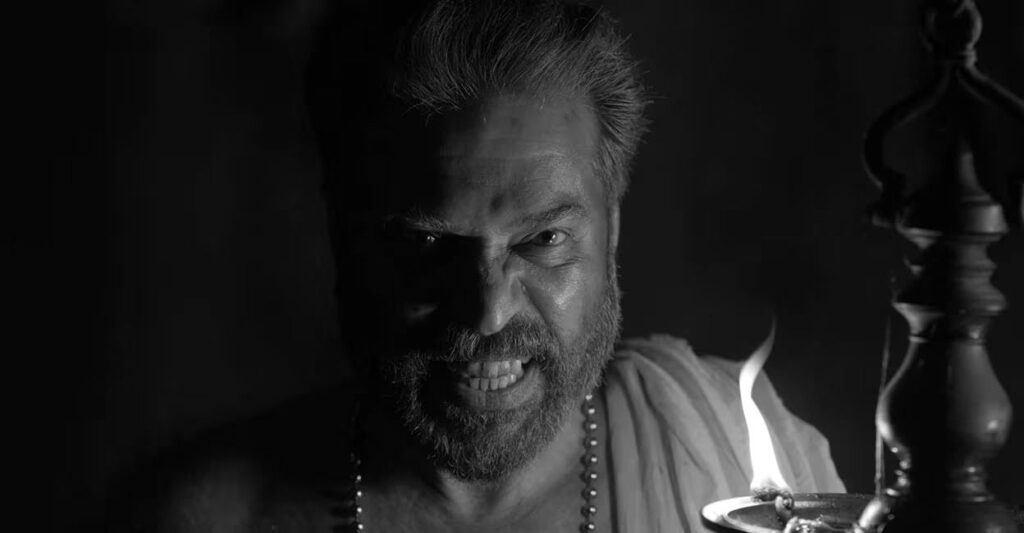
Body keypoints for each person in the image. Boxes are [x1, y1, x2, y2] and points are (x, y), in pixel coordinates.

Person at [111, 0, 844, 531]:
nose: (487, 310)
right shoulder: (205, 516)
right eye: (427, 244)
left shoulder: (736, 462)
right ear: (344, 236)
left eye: (543, 239)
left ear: (613, 229)